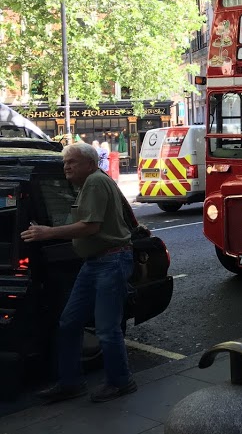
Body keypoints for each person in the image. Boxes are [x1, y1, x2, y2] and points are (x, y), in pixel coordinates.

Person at [21, 142, 137, 403]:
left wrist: (47, 232)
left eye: (72, 162)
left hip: (110, 261)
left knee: (106, 329)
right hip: (96, 262)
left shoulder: (95, 182)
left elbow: (90, 227)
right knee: (69, 322)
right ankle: (71, 383)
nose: (66, 167)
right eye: (65, 163)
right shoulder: (89, 184)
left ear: (90, 163)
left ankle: (121, 382)